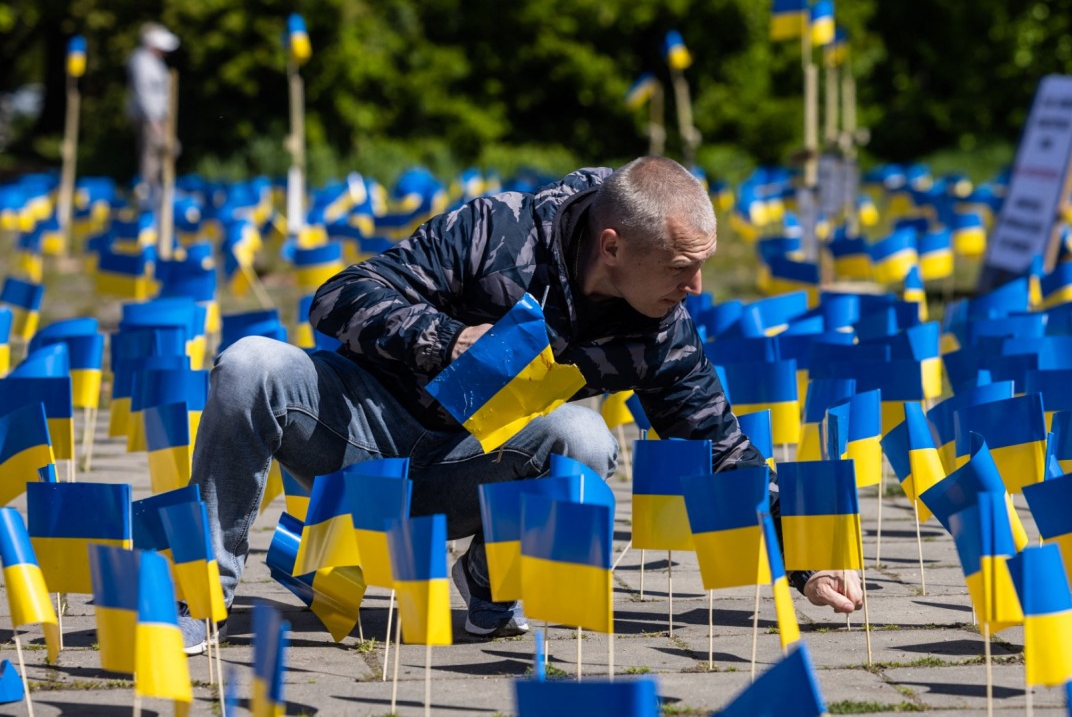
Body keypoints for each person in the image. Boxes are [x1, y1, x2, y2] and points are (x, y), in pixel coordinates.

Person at [181, 156, 863, 653]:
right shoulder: (496, 229)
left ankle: (486, 587)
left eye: (703, 263)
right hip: (355, 435)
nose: (698, 284)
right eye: (682, 264)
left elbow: (719, 447)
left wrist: (808, 559)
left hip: (466, 465)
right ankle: (202, 598)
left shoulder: (660, 325)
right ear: (613, 246)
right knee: (247, 365)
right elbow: (336, 298)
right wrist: (444, 338)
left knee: (588, 439)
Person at [126, 22, 179, 207]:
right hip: (151, 119)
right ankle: (148, 198)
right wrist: (155, 120)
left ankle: (158, 194)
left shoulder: (154, 61)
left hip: (158, 118)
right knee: (153, 156)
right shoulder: (141, 61)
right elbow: (144, 93)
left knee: (166, 152)